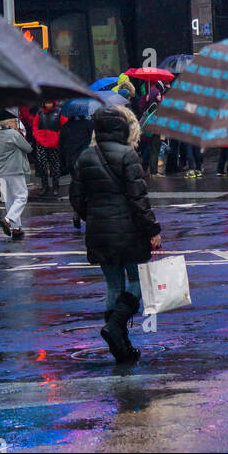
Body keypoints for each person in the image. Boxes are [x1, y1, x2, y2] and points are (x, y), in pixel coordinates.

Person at [70, 107, 162, 364]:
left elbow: (76, 198)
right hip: (129, 231)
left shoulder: (85, 157)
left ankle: (120, 344)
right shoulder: (128, 155)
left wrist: (95, 217)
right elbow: (139, 198)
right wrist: (153, 230)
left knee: (113, 284)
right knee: (138, 281)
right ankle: (116, 326)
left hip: (99, 232)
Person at [0, 116, 32, 240]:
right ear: (10, 123)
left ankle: (16, 228)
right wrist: (20, 135)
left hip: (1, 171)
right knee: (21, 196)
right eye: (15, 122)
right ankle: (8, 219)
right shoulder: (14, 134)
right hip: (15, 169)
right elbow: (28, 148)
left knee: (9, 199)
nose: (16, 124)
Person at [32, 101, 66, 197]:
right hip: (41, 143)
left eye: (50, 102)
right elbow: (35, 125)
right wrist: (37, 136)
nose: (48, 105)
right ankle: (45, 186)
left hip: (54, 144)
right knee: (42, 166)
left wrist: (57, 138)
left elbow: (64, 126)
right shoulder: (40, 112)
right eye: (46, 103)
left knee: (55, 166)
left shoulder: (59, 112)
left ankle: (55, 186)